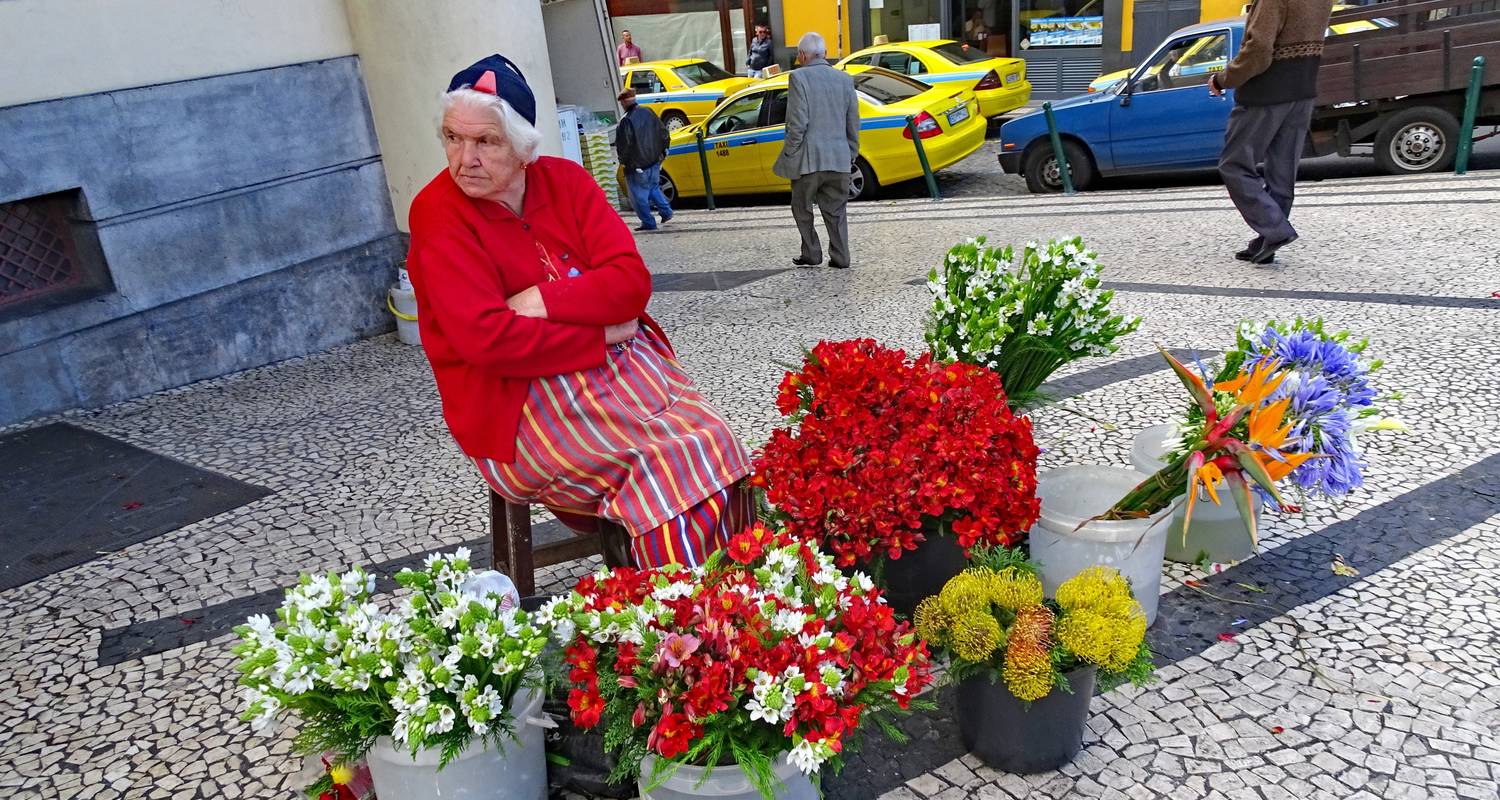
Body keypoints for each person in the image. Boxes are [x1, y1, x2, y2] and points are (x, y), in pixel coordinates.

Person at [406, 55, 752, 569]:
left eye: (486, 142)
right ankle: (677, 622)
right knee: (658, 461)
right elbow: (489, 341)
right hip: (515, 404)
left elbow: (629, 285)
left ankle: (746, 602)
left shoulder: (565, 181)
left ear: (522, 147)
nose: (465, 158)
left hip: (625, 374)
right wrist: (600, 335)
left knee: (716, 440)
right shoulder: (437, 212)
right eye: (454, 138)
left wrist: (541, 301)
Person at [1208, 0, 1335, 264]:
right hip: (1302, 91)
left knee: (1234, 165)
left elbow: (1259, 49)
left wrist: (1223, 79)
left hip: (1266, 93)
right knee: (1282, 172)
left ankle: (1275, 231)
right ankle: (1267, 243)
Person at [771, 32, 860, 270]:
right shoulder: (844, 79)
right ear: (826, 54)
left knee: (801, 207)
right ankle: (841, 257)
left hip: (809, 161)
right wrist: (850, 152)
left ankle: (811, 252)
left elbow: (797, 123)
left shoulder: (799, 77)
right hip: (839, 160)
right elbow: (853, 121)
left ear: (801, 56)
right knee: (836, 210)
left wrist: (790, 152)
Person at [615, 88, 674, 232]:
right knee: (653, 187)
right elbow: (664, 133)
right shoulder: (648, 111)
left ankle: (648, 222)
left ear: (623, 102)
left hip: (637, 164)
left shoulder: (626, 120)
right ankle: (666, 212)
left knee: (638, 196)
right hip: (654, 160)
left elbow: (624, 145)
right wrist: (663, 152)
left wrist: (624, 162)